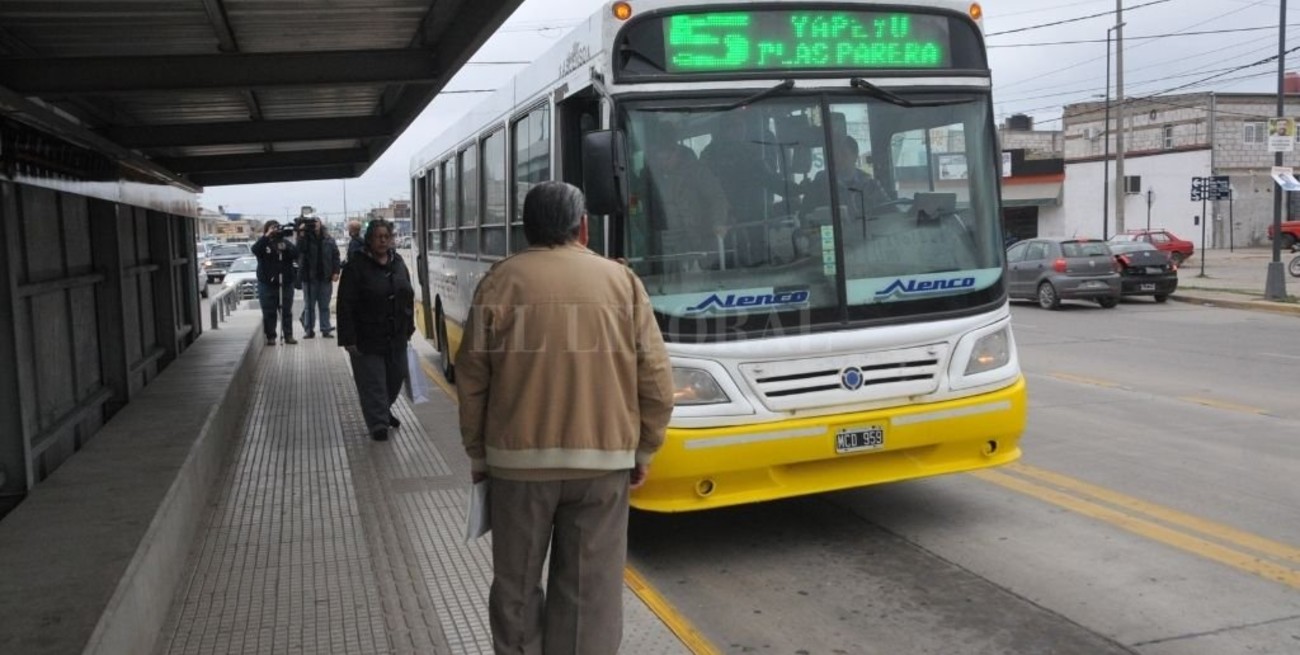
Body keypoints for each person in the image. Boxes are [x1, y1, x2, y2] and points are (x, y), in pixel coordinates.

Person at [456, 181, 674, 654]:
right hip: (602, 466)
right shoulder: (621, 283)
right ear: (583, 227)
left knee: (516, 586)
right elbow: (655, 376)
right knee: (590, 594)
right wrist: (646, 447)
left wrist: (477, 453)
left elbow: (472, 378)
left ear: (526, 228)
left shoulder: (500, 281)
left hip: (516, 467)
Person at [336, 219, 415, 442]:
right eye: (378, 237)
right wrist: (348, 338)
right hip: (366, 337)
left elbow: (408, 296)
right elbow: (345, 304)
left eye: (386, 236)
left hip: (396, 335)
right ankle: (378, 423)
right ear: (369, 240)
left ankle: (383, 410)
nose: (383, 241)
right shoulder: (355, 266)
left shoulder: (398, 262)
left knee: (395, 377)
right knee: (373, 383)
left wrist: (409, 325)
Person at [803, 135, 891, 221]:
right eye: (835, 155)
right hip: (831, 234)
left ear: (855, 156)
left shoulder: (870, 185)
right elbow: (804, 217)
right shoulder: (819, 185)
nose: (838, 159)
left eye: (843, 154)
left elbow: (890, 211)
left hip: (866, 233)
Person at [251, 221, 300, 346]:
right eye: (272, 228)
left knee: (286, 311)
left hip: (285, 282)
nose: (275, 231)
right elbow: (255, 250)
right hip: (267, 284)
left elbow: (296, 253)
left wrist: (286, 247)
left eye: (276, 228)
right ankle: (271, 336)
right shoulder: (263, 243)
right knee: (269, 311)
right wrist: (267, 235)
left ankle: (288, 335)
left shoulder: (284, 242)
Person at [296, 220, 341, 338]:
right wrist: (301, 232)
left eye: (316, 222)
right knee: (309, 306)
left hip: (325, 277)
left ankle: (325, 328)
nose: (314, 225)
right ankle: (309, 330)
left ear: (321, 224)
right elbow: (299, 250)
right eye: (311, 223)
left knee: (324, 305)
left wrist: (336, 271)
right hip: (309, 278)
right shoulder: (305, 238)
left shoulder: (328, 239)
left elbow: (335, 256)